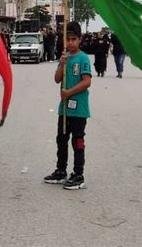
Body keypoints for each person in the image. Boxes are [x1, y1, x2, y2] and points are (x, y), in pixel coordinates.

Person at [44, 21, 92, 190]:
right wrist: (62, 64)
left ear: (80, 40)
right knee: (61, 140)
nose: (70, 42)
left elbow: (87, 82)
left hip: (79, 109)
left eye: (74, 39)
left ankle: (78, 175)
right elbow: (57, 79)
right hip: (64, 108)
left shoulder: (83, 58)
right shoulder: (65, 56)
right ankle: (61, 170)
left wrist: (69, 93)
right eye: (68, 39)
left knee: (77, 141)